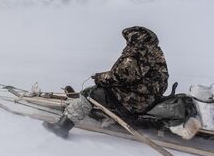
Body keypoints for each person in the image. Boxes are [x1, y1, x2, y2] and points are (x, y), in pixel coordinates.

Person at [43, 26, 172, 139]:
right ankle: (101, 114)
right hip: (150, 98)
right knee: (104, 91)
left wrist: (99, 77)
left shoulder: (136, 54)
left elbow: (119, 76)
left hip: (135, 100)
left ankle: (62, 127)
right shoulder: (155, 53)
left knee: (90, 93)